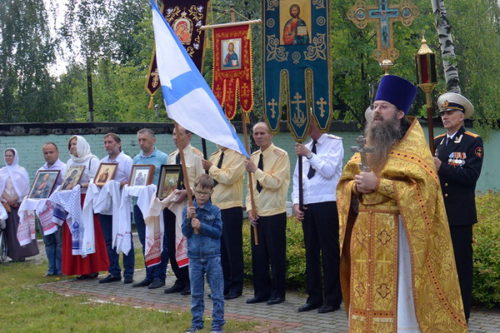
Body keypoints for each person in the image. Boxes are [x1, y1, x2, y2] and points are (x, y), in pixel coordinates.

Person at [336, 75, 467, 332]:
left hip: (400, 241)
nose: (376, 111)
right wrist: (355, 187)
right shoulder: (368, 146)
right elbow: (344, 184)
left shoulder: (415, 151)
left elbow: (425, 194)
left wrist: (380, 185)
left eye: (383, 106)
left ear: (399, 113)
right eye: (375, 106)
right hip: (364, 239)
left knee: (400, 305)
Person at [433, 92, 484, 321]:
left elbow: (470, 176)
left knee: (460, 267)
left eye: (450, 112)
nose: (445, 117)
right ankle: (443, 309)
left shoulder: (472, 141)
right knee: (439, 266)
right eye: (443, 113)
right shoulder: (435, 142)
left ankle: (462, 313)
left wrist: (441, 166)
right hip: (438, 214)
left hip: (459, 215)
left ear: (461, 116)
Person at [292, 121, 343, 313]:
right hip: (308, 203)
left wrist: (309, 155)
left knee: (329, 252)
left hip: (327, 202)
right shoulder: (303, 144)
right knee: (311, 252)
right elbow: (298, 177)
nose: (307, 127)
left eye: (310, 122)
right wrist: (296, 202)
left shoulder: (334, 142)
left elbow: (329, 171)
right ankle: (313, 296)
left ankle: (332, 299)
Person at [244, 122, 290, 305]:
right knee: (259, 255)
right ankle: (261, 291)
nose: (259, 136)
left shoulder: (281, 155)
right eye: (256, 133)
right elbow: (250, 188)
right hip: (258, 213)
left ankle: (278, 293)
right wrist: (249, 209)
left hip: (274, 211)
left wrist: (256, 170)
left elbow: (275, 182)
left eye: (262, 133)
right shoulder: (253, 157)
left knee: (276, 255)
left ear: (271, 135)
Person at [164, 125, 204, 295]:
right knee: (172, 242)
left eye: (179, 134)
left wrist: (188, 193)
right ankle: (179, 278)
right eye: (173, 134)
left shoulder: (196, 155)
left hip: (188, 205)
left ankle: (191, 280)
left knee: (188, 243)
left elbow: (202, 183)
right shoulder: (171, 157)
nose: (175, 137)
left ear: (189, 135)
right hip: (172, 206)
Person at [182, 174, 224, 333]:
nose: (201, 196)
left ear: (211, 192)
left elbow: (218, 232)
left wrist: (201, 226)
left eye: (205, 193)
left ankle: (217, 324)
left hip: (212, 256)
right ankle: (196, 323)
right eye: (198, 192)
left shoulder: (215, 211)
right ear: (193, 190)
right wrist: (188, 220)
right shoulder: (188, 210)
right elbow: (186, 232)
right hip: (194, 257)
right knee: (196, 293)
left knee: (217, 292)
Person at [63, 135, 109, 280]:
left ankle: (93, 268)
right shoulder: (70, 162)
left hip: (87, 201)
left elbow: (98, 181)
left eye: (75, 144)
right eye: (70, 145)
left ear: (82, 145)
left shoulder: (92, 160)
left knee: (90, 233)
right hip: (74, 202)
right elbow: (67, 180)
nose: (72, 147)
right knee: (75, 234)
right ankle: (79, 269)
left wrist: (82, 186)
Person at [202, 145, 245, 300]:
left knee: (232, 249)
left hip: (231, 206)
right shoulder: (214, 156)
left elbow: (229, 178)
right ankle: (223, 285)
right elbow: (211, 181)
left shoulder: (238, 155)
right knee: (220, 251)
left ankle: (236, 286)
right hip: (215, 207)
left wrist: (211, 168)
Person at [132, 128, 168, 289]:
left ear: (153, 140)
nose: (141, 143)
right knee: (144, 240)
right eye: (139, 140)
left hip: (156, 205)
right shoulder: (136, 159)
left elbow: (169, 179)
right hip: (140, 205)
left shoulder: (162, 157)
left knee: (158, 239)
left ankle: (160, 276)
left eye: (144, 140)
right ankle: (149, 274)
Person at [98, 133, 135, 284]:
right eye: (105, 142)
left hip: (121, 205)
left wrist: (117, 184)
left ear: (118, 144)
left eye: (110, 142)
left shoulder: (126, 160)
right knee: (108, 240)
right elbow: (99, 181)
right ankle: (113, 271)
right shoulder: (103, 162)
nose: (107, 145)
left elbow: (132, 179)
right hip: (107, 206)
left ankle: (129, 272)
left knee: (125, 236)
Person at [0, 148, 39, 261]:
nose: (8, 158)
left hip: (18, 204)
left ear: (15, 157)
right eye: (6, 156)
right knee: (9, 231)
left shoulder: (21, 171)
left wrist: (15, 198)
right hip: (6, 205)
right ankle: (11, 254)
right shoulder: (2, 172)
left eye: (10, 156)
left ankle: (22, 254)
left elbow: (25, 188)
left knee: (21, 229)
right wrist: (7, 199)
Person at [38, 142, 66, 276]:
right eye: (45, 153)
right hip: (44, 211)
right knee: (48, 242)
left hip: (58, 210)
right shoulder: (41, 170)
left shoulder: (64, 168)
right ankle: (51, 269)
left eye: (51, 152)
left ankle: (60, 269)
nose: (48, 155)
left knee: (59, 241)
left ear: (57, 152)